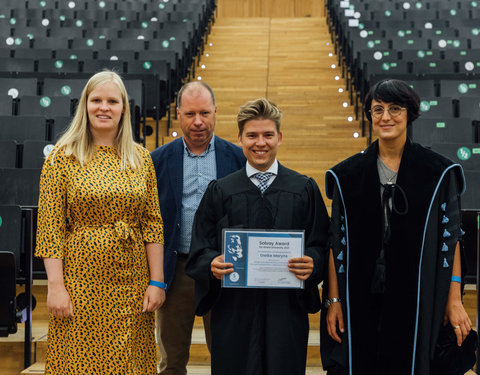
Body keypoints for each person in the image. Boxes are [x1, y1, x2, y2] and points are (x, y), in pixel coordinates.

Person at [320, 79, 472, 375]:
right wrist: (334, 301)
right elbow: (337, 242)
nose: (385, 117)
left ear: (409, 113)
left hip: (416, 291)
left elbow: (450, 239)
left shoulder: (438, 172)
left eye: (394, 108)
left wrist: (453, 299)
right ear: (370, 115)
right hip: (361, 289)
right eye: (378, 109)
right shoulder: (347, 175)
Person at [185, 97, 329, 375]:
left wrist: (312, 261)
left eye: (267, 135)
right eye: (252, 135)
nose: (260, 143)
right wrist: (212, 264)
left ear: (280, 137)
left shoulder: (303, 188)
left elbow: (321, 243)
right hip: (234, 311)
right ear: (239, 138)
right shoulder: (221, 191)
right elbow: (200, 248)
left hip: (285, 310)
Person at [35, 70, 165, 375]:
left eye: (112, 101)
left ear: (123, 108)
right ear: (85, 105)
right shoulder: (61, 157)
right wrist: (56, 287)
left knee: (128, 363)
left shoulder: (141, 158)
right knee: (79, 363)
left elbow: (152, 224)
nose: (103, 107)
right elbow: (50, 228)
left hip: (131, 283)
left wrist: (157, 281)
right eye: (96, 100)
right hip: (79, 283)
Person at [150, 81, 245, 375]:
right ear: (178, 114)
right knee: (172, 359)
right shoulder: (157, 160)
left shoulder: (238, 158)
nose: (198, 122)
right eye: (190, 114)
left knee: (228, 355)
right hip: (177, 268)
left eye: (205, 112)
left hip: (224, 267)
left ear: (216, 112)